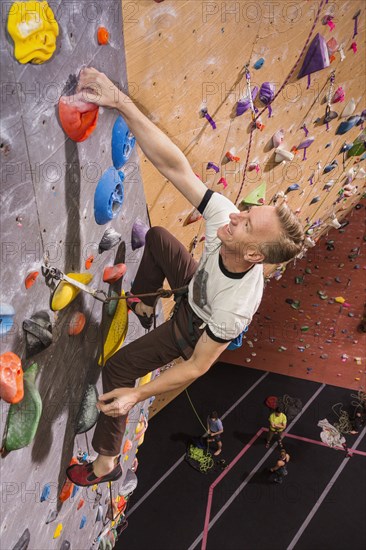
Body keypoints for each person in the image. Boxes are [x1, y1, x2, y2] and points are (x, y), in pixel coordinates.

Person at [66, 68, 305, 487]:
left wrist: (138, 395)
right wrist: (119, 100)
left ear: (252, 254)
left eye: (246, 223)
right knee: (158, 238)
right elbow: (175, 167)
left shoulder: (236, 308)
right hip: (197, 289)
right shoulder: (227, 223)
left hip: (194, 327)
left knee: (119, 369)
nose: (234, 214)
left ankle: (106, 464)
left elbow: (196, 366)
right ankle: (142, 304)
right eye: (248, 210)